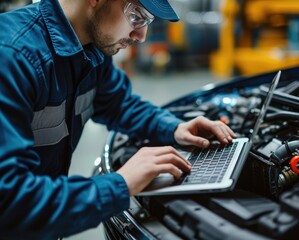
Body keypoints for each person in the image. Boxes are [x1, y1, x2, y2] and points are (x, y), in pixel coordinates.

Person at [0, 0, 237, 239]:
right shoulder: (11, 57)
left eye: (147, 21)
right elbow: (9, 202)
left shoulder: (92, 49)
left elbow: (118, 104)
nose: (141, 36)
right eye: (136, 16)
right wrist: (121, 184)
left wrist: (175, 128)